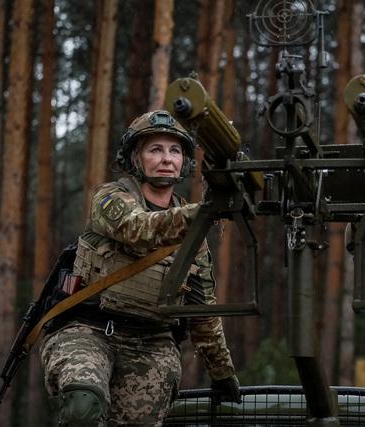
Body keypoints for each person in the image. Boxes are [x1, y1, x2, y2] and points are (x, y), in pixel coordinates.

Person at [40, 110, 241, 426]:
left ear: (185, 162)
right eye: (155, 149)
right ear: (136, 158)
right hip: (87, 329)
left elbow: (201, 309)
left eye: (175, 151)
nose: (167, 159)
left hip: (152, 343)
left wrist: (221, 370)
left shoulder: (195, 237)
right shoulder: (110, 198)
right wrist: (204, 211)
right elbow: (139, 230)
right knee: (83, 405)